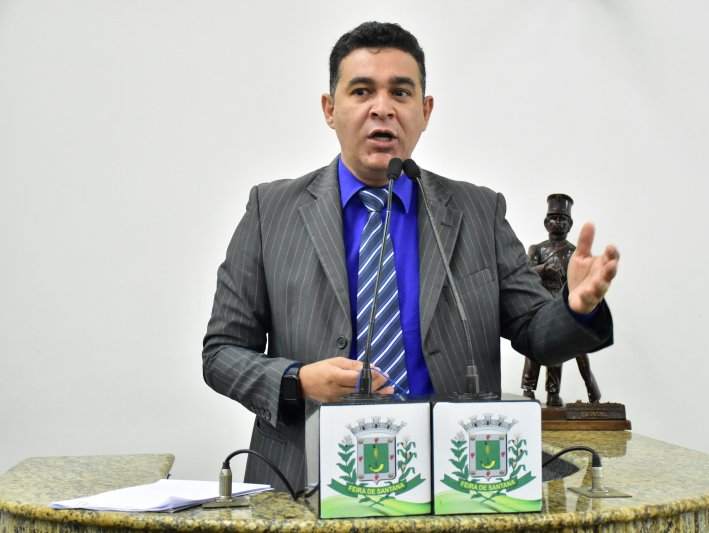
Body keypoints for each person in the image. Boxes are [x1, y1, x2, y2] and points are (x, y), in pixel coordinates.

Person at [202, 21, 619, 492]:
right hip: (306, 479)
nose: (382, 108)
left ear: (425, 111)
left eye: (400, 93)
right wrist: (297, 380)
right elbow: (221, 353)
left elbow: (535, 332)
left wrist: (575, 309)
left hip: (457, 482)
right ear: (330, 109)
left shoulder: (478, 212)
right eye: (362, 91)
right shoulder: (271, 211)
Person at [521, 194, 602, 407]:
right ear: (546, 222)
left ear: (570, 224)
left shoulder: (575, 253)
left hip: (562, 304)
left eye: (562, 218)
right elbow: (525, 274)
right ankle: (528, 388)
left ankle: (553, 391)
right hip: (539, 304)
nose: (558, 222)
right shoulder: (537, 249)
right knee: (533, 346)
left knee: (558, 348)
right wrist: (544, 268)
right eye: (553, 218)